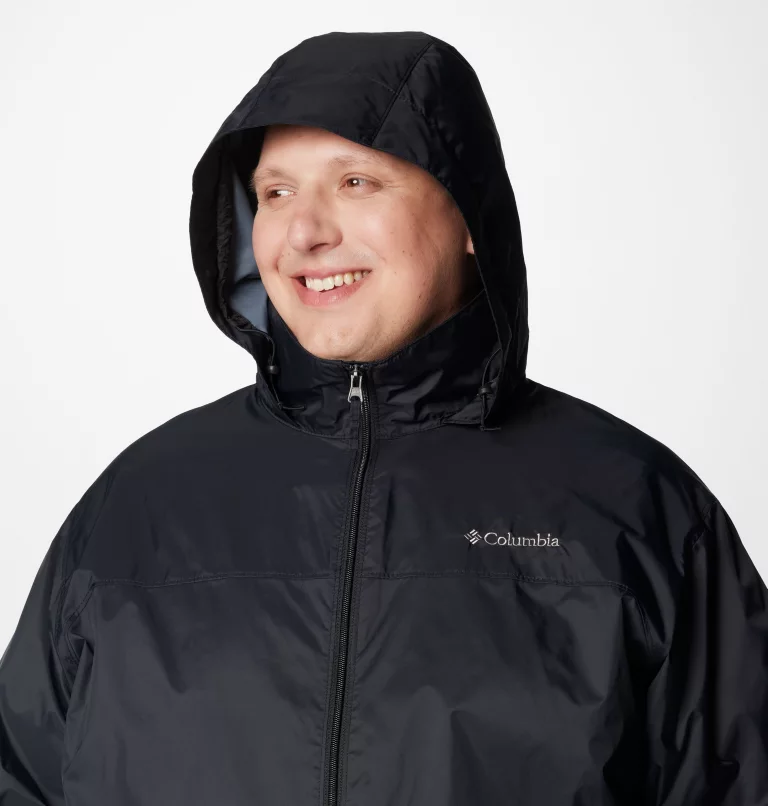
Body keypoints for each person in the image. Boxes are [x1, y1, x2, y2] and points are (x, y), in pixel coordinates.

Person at [1, 29, 766, 806]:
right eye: (276, 193)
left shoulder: (635, 508)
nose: (305, 233)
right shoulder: (137, 506)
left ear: (468, 216)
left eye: (356, 181)